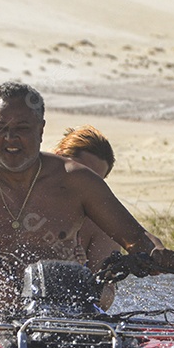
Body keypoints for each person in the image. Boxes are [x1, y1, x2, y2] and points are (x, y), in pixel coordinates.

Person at [0, 81, 174, 310]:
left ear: (41, 129)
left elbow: (137, 238)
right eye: (1, 128)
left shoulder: (78, 181)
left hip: (57, 319)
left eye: (22, 128)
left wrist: (157, 254)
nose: (11, 138)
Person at [51, 125, 123, 308]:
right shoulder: (16, 196)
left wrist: (80, 276)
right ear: (57, 157)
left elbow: (106, 296)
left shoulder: (103, 223)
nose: (84, 185)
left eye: (93, 181)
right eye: (79, 172)